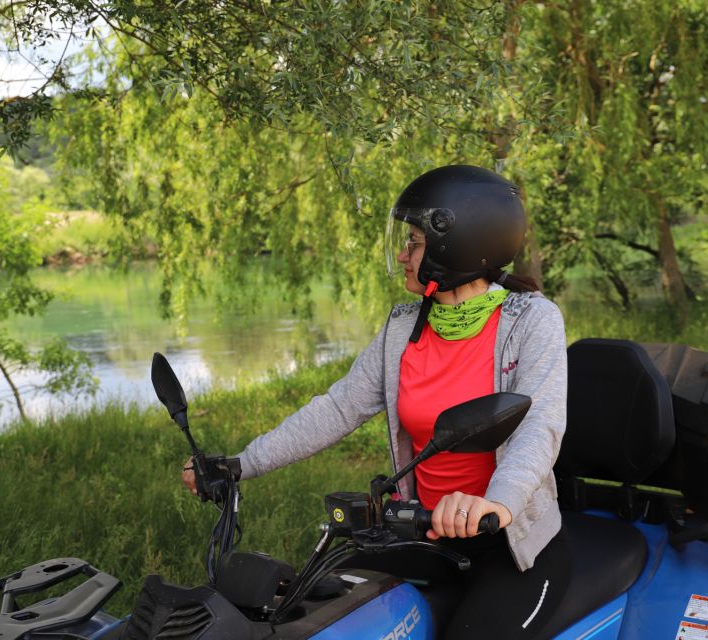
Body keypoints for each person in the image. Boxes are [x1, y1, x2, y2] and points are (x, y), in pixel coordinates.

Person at [182, 165, 569, 638]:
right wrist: (241, 464)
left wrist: (497, 505)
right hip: (424, 530)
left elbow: (539, 427)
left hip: (506, 537)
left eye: (414, 242)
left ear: (459, 243)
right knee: (309, 616)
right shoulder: (404, 327)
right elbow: (338, 408)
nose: (404, 255)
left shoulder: (531, 321)